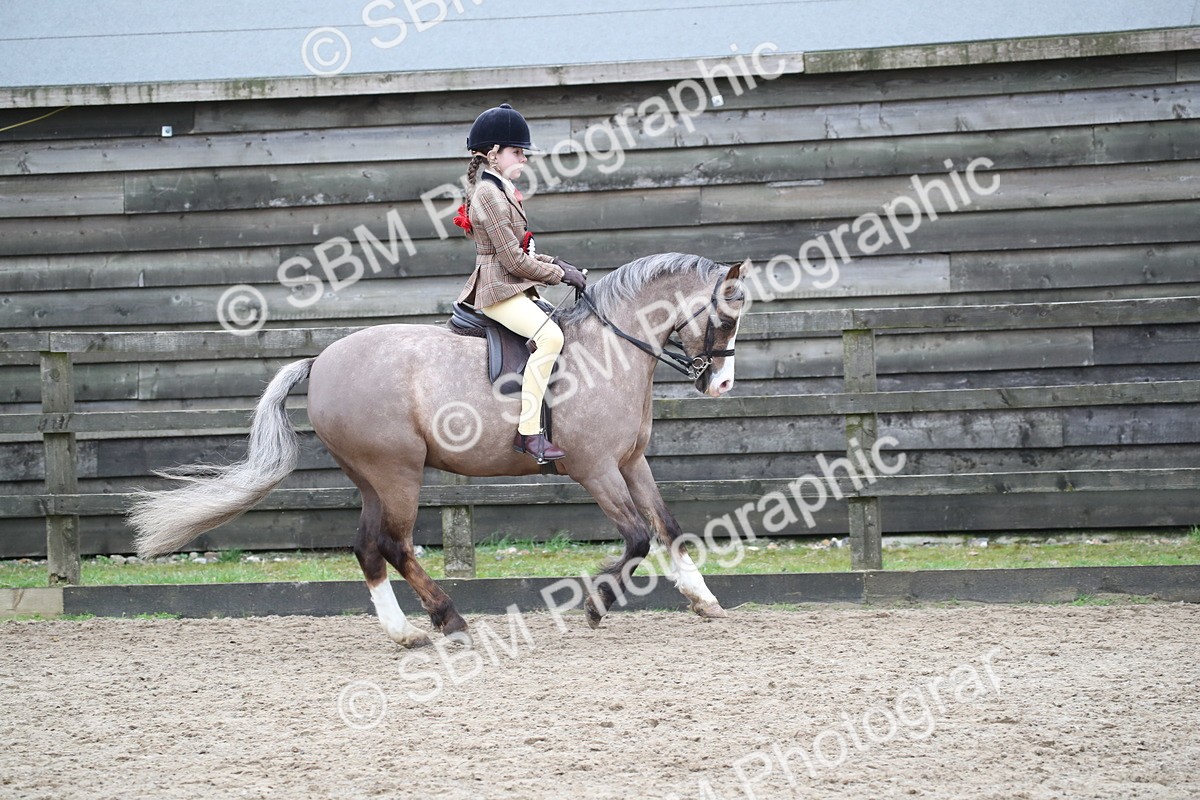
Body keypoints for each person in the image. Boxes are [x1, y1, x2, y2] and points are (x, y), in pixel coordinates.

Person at [453, 104, 588, 463]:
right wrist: (560, 276)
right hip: (497, 290)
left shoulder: (501, 190)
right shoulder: (488, 194)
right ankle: (528, 433)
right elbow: (512, 261)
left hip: (512, 285)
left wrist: (559, 263)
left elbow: (519, 251)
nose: (524, 159)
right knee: (551, 337)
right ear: (494, 154)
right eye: (518, 151)